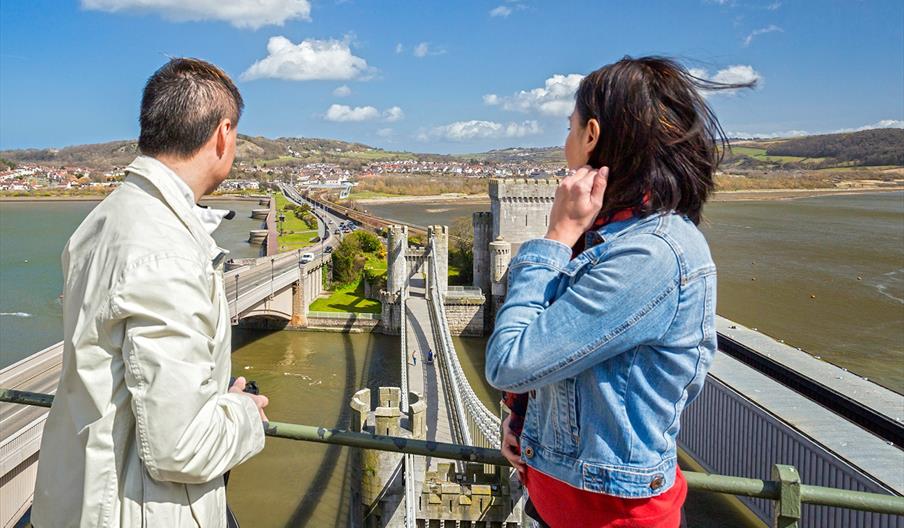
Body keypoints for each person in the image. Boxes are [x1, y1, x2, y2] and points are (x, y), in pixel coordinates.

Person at [484, 56, 753, 528]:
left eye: (569, 128)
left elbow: (508, 361)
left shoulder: (651, 255)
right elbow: (566, 360)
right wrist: (523, 417)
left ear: (591, 134)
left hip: (615, 519)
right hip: (561, 503)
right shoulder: (611, 233)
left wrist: (553, 240)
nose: (564, 143)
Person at [31, 58, 270, 528]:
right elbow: (181, 447)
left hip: (75, 500)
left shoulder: (102, 222)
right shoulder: (169, 255)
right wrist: (243, 413)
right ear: (223, 134)